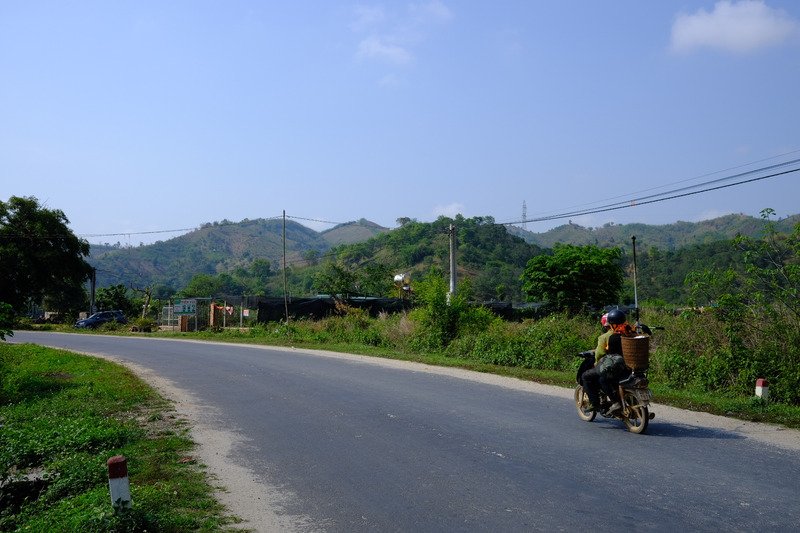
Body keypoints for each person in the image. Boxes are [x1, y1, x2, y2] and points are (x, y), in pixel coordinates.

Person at [581, 309, 633, 414]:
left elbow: (599, 354)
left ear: (609, 324)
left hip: (615, 366)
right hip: (628, 366)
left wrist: (596, 363)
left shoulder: (606, 337)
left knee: (587, 376)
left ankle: (595, 404)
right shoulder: (630, 333)